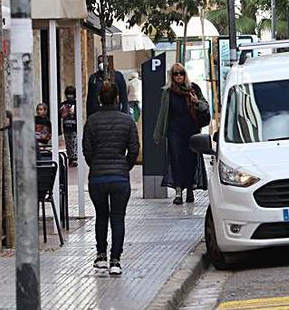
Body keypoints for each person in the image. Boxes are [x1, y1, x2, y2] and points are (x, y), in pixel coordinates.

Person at [82, 80, 139, 276]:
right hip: (120, 178)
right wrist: (125, 166)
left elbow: (86, 150)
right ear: (117, 98)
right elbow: (134, 149)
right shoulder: (128, 121)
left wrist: (96, 164)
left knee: (101, 216)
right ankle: (116, 259)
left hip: (97, 177)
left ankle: (100, 256)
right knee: (118, 217)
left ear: (99, 99)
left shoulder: (91, 121)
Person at [153, 63, 211, 205]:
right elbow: (163, 114)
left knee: (191, 160)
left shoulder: (193, 88)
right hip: (175, 131)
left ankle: (190, 190)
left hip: (191, 130)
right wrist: (158, 134)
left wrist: (196, 102)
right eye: (175, 73)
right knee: (176, 159)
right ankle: (178, 192)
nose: (178, 76)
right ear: (171, 76)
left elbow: (205, 106)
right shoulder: (167, 92)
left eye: (181, 73)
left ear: (185, 74)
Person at [59, 86, 79, 167]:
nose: (70, 96)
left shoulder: (76, 104)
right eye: (68, 94)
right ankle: (70, 158)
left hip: (74, 127)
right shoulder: (63, 104)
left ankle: (74, 158)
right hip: (66, 126)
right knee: (68, 143)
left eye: (71, 94)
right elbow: (60, 114)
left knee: (74, 142)